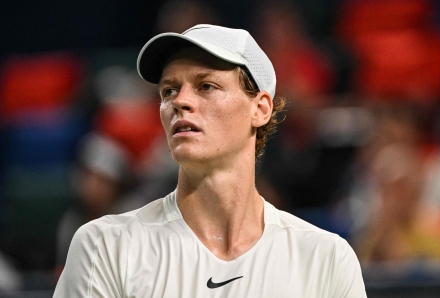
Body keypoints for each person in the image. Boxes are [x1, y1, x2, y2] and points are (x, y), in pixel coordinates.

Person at [53, 24, 367, 297]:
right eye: (169, 90)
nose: (180, 102)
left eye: (206, 86)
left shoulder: (326, 258)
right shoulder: (104, 247)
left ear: (259, 109)